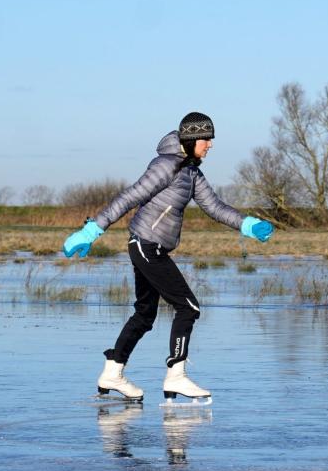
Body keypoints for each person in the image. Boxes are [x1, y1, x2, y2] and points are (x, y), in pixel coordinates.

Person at [62, 112, 274, 404]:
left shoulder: (191, 173)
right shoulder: (166, 166)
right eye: (206, 139)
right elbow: (129, 196)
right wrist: (92, 230)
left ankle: (113, 371)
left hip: (153, 247)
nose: (210, 145)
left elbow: (215, 207)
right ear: (190, 139)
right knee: (188, 307)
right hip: (146, 245)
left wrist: (248, 224)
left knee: (145, 314)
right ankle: (176, 374)